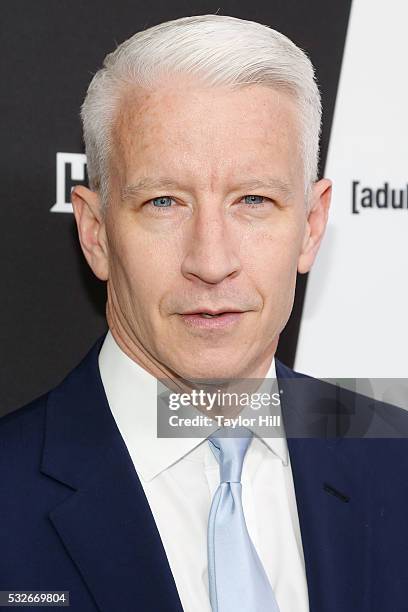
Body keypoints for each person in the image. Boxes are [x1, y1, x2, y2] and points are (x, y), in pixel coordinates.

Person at [1, 13, 408, 612]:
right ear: (95, 233)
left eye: (253, 200)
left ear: (310, 227)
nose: (211, 261)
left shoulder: (396, 463)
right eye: (164, 201)